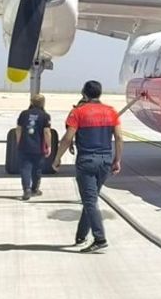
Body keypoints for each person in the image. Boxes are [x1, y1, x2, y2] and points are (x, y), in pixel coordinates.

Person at [52, 80, 123, 253]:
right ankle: (81, 235)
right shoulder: (112, 112)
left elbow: (68, 138)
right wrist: (117, 160)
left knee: (90, 200)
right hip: (105, 161)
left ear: (84, 93)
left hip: (87, 162)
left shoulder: (78, 112)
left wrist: (57, 158)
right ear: (99, 93)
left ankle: (100, 238)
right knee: (90, 199)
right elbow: (119, 138)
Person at [15, 94, 52, 200]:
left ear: (31, 102)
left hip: (24, 146)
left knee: (25, 168)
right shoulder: (45, 116)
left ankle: (26, 189)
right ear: (43, 103)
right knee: (37, 169)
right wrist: (48, 146)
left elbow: (18, 129)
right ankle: (35, 189)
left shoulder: (24, 114)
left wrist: (19, 142)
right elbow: (47, 132)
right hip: (38, 148)